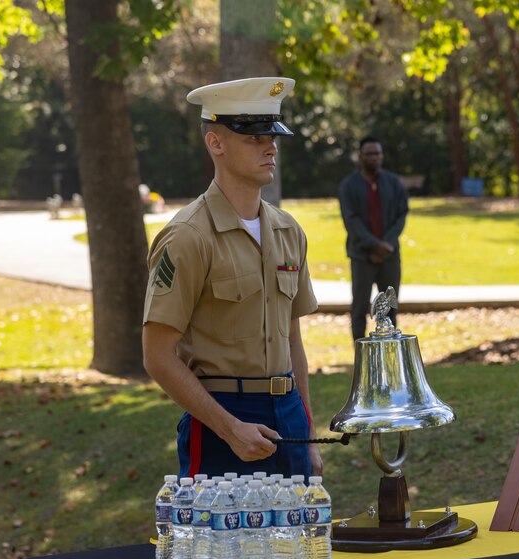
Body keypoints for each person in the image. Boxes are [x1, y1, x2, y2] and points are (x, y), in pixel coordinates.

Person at [142, 77, 322, 479]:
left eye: (272, 135)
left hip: (288, 412)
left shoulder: (288, 232)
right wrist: (229, 429)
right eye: (253, 137)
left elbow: (292, 339)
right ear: (216, 143)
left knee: (295, 541)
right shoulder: (188, 236)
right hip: (221, 417)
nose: (270, 146)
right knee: (227, 544)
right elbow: (157, 355)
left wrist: (307, 432)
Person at [339, 137, 409, 341]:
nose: (374, 158)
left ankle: (389, 353)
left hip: (390, 256)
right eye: (369, 154)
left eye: (377, 153)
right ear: (360, 156)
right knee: (359, 309)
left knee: (390, 309)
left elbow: (401, 215)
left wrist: (386, 244)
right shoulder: (349, 186)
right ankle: (360, 360)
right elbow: (351, 220)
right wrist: (375, 245)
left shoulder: (394, 183)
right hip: (362, 256)